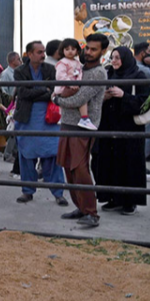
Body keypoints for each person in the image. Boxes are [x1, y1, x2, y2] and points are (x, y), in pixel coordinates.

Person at [52, 33, 109, 226]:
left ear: (103, 51)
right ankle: (81, 207)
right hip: (68, 122)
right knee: (68, 167)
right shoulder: (80, 68)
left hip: (84, 125)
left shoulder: (98, 73)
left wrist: (56, 99)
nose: (89, 52)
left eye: (94, 49)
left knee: (80, 167)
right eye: (88, 48)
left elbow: (78, 98)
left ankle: (91, 213)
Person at [92, 46, 150, 215]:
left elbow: (145, 102)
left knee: (129, 163)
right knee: (109, 162)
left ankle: (130, 201)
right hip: (108, 126)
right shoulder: (108, 73)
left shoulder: (139, 76)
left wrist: (124, 96)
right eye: (112, 57)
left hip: (129, 128)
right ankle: (112, 198)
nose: (115, 61)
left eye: (118, 57)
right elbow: (95, 96)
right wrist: (105, 96)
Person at [13, 41, 67, 205]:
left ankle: (58, 193)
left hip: (48, 119)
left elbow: (53, 92)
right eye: (39, 52)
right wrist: (43, 90)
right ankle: (27, 191)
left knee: (52, 154)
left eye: (43, 51)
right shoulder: (20, 71)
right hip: (27, 119)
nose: (43, 55)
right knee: (27, 155)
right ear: (29, 54)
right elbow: (22, 93)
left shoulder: (50, 69)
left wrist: (40, 91)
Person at [55, 38, 98, 130]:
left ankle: (62, 117)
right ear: (62, 51)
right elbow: (61, 76)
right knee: (83, 99)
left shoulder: (77, 63)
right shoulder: (62, 63)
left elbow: (80, 73)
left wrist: (78, 83)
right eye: (67, 49)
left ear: (77, 51)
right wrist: (71, 84)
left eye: (73, 49)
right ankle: (84, 118)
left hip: (74, 86)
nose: (70, 51)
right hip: (64, 86)